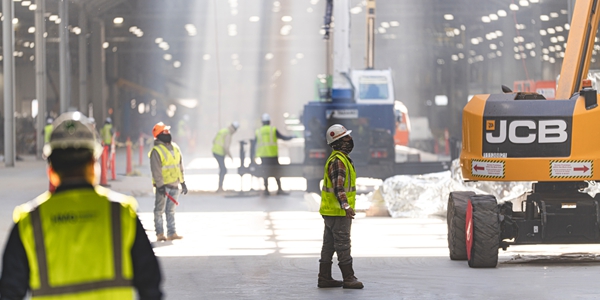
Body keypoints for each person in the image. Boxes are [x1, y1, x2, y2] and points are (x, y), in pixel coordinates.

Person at [0, 111, 163, 299]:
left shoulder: (29, 222)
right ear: (94, 166)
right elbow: (151, 285)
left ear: (51, 171)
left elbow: (10, 292)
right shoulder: (122, 214)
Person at [317, 124, 363, 289]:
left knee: (329, 245)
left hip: (330, 212)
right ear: (338, 142)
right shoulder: (338, 162)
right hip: (338, 212)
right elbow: (339, 187)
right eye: (346, 138)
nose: (350, 140)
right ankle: (349, 278)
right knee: (343, 244)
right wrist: (345, 206)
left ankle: (324, 277)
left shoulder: (338, 159)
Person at [149, 122, 188, 242]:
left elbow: (180, 165)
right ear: (159, 135)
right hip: (163, 186)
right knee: (159, 210)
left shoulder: (175, 148)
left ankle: (172, 233)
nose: (168, 133)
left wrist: (183, 182)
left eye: (168, 131)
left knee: (171, 211)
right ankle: (160, 234)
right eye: (165, 132)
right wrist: (160, 186)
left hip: (175, 185)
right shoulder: (156, 151)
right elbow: (156, 170)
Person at [254, 113, 293, 196]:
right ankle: (279, 189)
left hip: (263, 155)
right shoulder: (273, 130)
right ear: (269, 121)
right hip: (272, 154)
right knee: (276, 171)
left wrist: (253, 155)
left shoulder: (258, 131)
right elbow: (283, 137)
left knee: (264, 172)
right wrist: (292, 137)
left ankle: (266, 190)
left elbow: (254, 143)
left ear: (262, 122)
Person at [212, 121, 240, 192]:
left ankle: (220, 187)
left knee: (222, 169)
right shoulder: (228, 134)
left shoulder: (223, 130)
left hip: (215, 151)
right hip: (219, 152)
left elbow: (214, 140)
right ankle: (220, 187)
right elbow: (226, 147)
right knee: (223, 170)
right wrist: (230, 156)